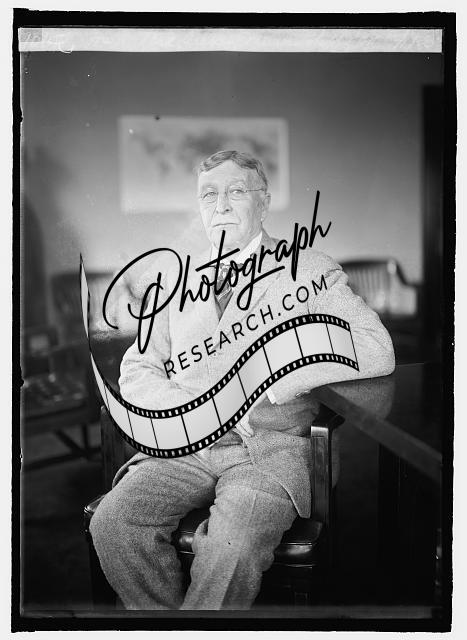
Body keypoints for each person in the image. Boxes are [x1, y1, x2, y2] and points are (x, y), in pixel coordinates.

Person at [90, 149, 395, 610]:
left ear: (263, 202)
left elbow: (376, 347)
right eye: (208, 195)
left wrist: (282, 370)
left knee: (230, 547)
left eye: (236, 191)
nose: (221, 206)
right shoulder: (176, 280)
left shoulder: (308, 269)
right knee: (114, 524)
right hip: (186, 450)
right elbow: (138, 367)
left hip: (268, 453)